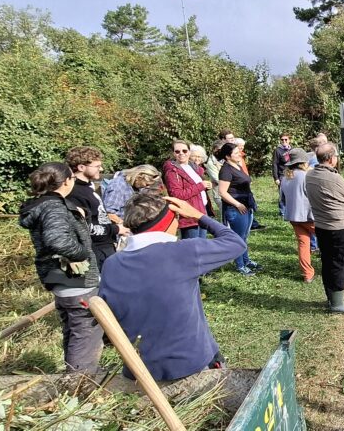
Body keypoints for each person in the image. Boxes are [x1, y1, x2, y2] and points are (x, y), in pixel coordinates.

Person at [99, 195, 246, 381]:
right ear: (169, 220)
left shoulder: (112, 264)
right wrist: (199, 215)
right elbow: (236, 244)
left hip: (140, 370)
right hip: (191, 364)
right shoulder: (182, 252)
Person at [18, 162, 103, 373]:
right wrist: (83, 252)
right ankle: (79, 381)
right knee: (85, 331)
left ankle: (77, 372)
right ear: (66, 181)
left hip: (62, 280)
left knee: (74, 331)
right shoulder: (53, 207)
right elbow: (58, 240)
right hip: (76, 280)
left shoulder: (42, 205)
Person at [305, 143, 344, 313]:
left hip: (320, 225)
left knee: (327, 261)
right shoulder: (334, 177)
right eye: (335, 156)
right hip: (337, 226)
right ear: (330, 158)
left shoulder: (310, 175)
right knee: (339, 262)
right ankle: (338, 304)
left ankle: (331, 297)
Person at [65, 146, 127, 273]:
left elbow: (98, 217)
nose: (101, 169)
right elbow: (86, 226)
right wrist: (116, 229)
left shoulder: (89, 188)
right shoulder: (75, 192)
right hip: (95, 251)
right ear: (81, 167)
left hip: (105, 248)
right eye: (97, 166)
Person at [216, 142, 263, 275]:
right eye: (235, 153)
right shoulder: (226, 170)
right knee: (238, 238)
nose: (239, 154)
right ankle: (240, 265)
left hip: (245, 205)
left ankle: (246, 260)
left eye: (239, 152)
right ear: (227, 156)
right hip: (235, 208)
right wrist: (237, 204)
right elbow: (222, 192)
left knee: (243, 236)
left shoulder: (237, 165)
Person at [280, 148, 316, 283]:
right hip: (309, 216)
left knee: (303, 244)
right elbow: (313, 195)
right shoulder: (306, 176)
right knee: (327, 240)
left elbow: (282, 199)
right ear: (303, 162)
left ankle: (307, 274)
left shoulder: (285, 177)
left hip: (293, 217)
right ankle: (332, 266)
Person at [163, 140, 212, 239]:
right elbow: (177, 195)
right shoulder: (172, 172)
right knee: (192, 250)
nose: (181, 153)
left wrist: (206, 187)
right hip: (188, 215)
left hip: (201, 211)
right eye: (177, 151)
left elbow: (195, 188)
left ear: (189, 152)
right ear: (173, 153)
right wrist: (200, 186)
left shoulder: (193, 167)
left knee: (202, 247)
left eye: (184, 151)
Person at [272, 133, 292, 216]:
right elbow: (275, 164)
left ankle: (290, 210)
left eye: (286, 139)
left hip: (291, 174)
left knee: (291, 193)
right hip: (282, 175)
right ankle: (283, 212)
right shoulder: (278, 150)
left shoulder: (292, 150)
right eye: (282, 140)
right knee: (282, 194)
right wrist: (276, 178)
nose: (284, 141)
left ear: (289, 140)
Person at [205, 139, 227, 216]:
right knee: (225, 216)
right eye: (220, 150)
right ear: (215, 149)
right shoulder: (211, 163)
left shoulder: (225, 159)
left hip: (231, 192)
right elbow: (218, 179)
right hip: (220, 194)